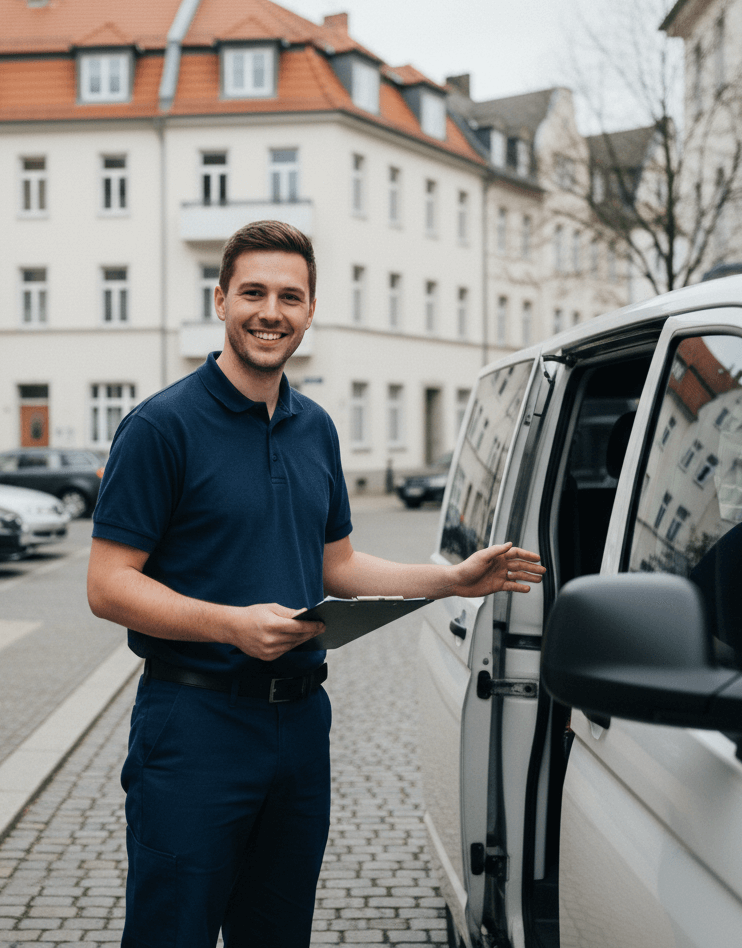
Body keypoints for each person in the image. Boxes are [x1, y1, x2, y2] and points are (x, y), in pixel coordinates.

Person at [87, 219, 544, 948]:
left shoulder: (316, 428)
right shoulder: (160, 426)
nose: (272, 312)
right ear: (221, 300)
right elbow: (109, 585)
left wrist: (452, 580)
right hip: (194, 723)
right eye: (254, 293)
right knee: (171, 933)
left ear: (310, 310)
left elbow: (340, 567)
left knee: (277, 934)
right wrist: (231, 625)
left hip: (300, 727)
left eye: (290, 297)